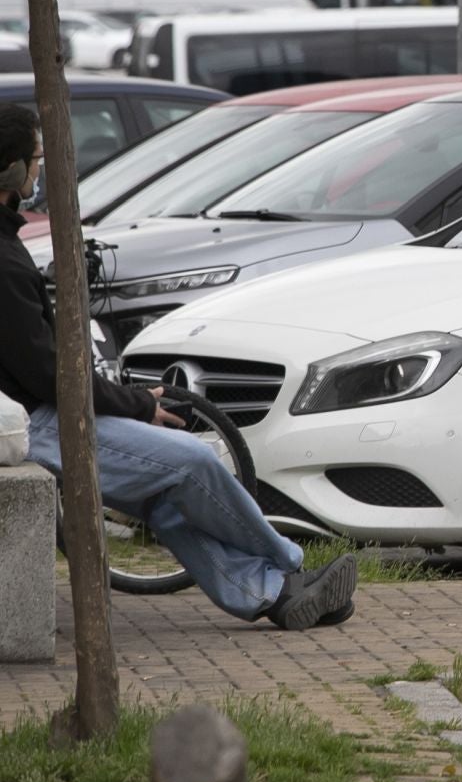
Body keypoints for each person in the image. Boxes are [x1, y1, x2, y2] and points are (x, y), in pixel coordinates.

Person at [0, 106, 356, 630]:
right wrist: (138, 405)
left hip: (30, 415)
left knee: (166, 495)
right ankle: (289, 564)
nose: (40, 171)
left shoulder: (7, 246)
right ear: (11, 171)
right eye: (36, 159)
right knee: (193, 461)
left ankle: (275, 595)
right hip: (33, 426)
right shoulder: (5, 262)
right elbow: (50, 376)